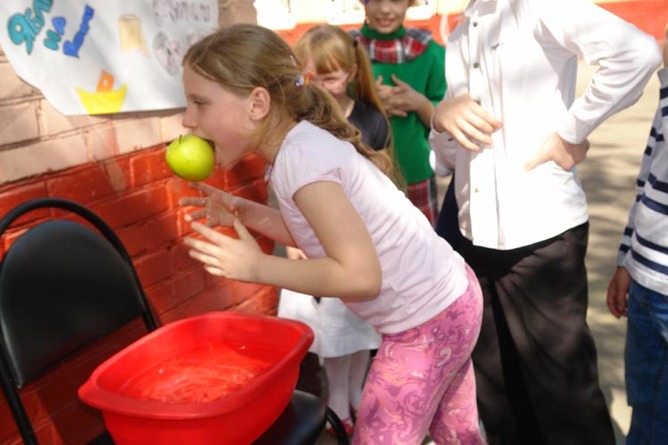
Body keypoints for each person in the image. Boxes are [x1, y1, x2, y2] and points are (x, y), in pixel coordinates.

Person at [178, 23, 486, 445]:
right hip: (452, 301)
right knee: (458, 435)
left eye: (199, 102)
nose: (187, 119)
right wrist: (243, 210)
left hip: (427, 324)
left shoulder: (301, 161)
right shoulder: (299, 148)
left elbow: (360, 277)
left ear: (257, 104)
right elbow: (318, 235)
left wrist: (257, 267)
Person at [428, 1, 662, 444]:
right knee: (496, 389)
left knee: (563, 397)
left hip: (540, 234)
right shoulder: (458, 32)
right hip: (473, 234)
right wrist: (441, 122)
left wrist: (571, 131)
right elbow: (444, 162)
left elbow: (637, 53)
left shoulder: (538, 5)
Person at [278, 23, 396, 436]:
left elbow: (383, 178)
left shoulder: (369, 119)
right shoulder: (299, 124)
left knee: (360, 330)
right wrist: (291, 240)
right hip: (317, 246)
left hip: (359, 245)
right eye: (311, 77)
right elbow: (284, 180)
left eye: (330, 76)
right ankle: (337, 401)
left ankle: (356, 395)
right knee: (331, 333)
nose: (322, 86)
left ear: (349, 72)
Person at [607, 23, 668, 445]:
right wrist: (626, 259)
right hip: (645, 279)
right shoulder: (666, 94)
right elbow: (647, 178)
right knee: (644, 403)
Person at [350, 0, 445, 225]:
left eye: (395, 0)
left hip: (416, 172)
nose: (385, 9)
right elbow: (327, 110)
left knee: (424, 247)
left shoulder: (430, 53)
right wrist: (368, 101)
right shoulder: (345, 50)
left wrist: (419, 103)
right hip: (359, 177)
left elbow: (445, 117)